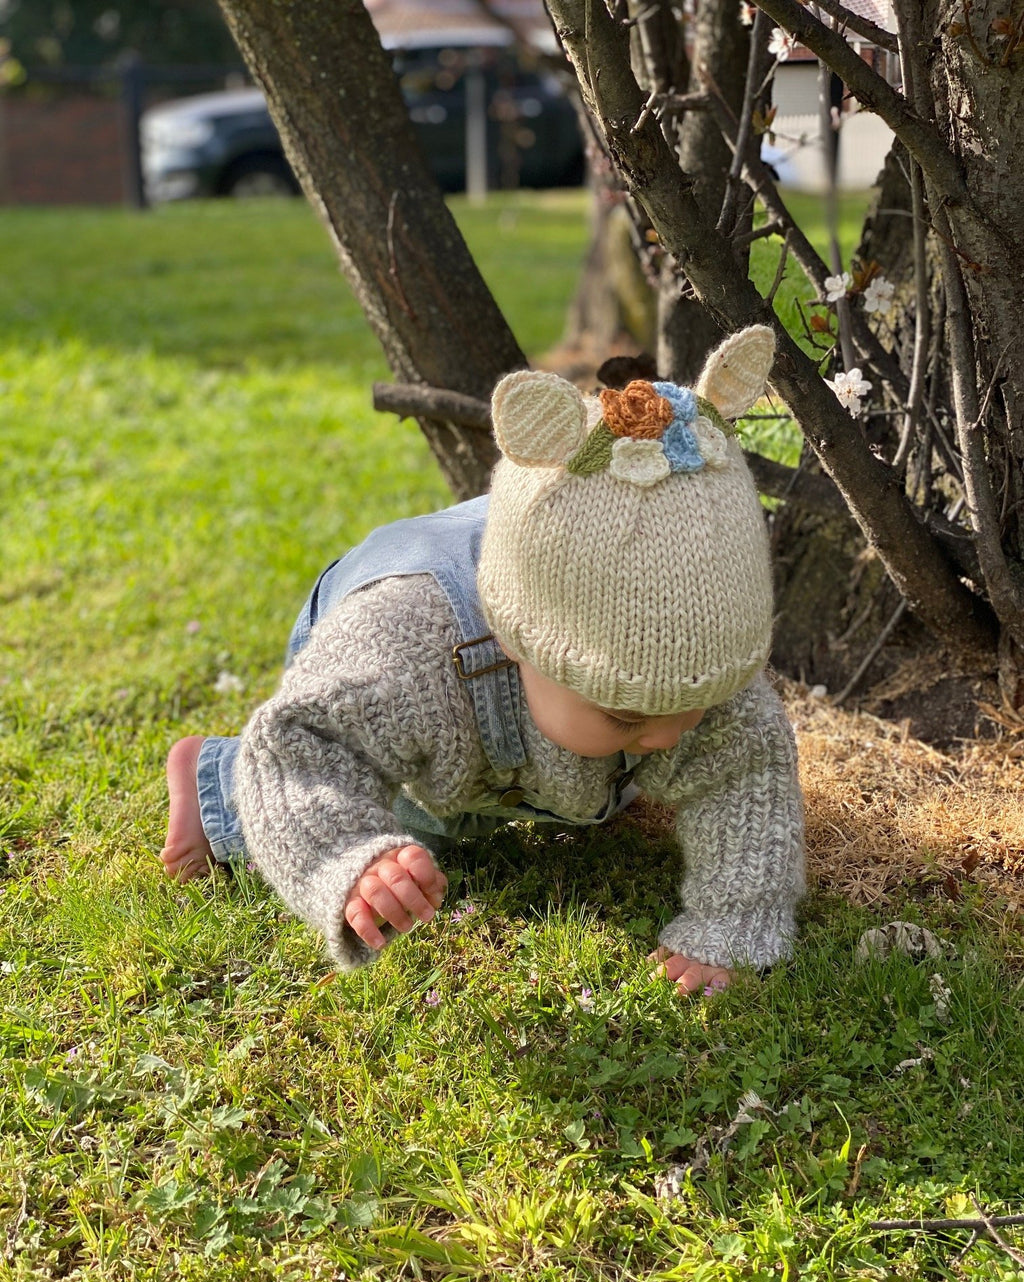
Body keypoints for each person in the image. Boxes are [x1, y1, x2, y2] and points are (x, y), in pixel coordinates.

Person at [161, 325, 805, 996]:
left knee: (682, 743)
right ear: (516, 641)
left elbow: (748, 771)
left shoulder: (694, 637)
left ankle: (584, 757)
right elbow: (306, 747)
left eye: (695, 700)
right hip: (397, 658)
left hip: (541, 674)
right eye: (626, 712)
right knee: (416, 823)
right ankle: (213, 781)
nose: (671, 733)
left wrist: (731, 927)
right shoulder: (406, 655)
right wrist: (355, 863)